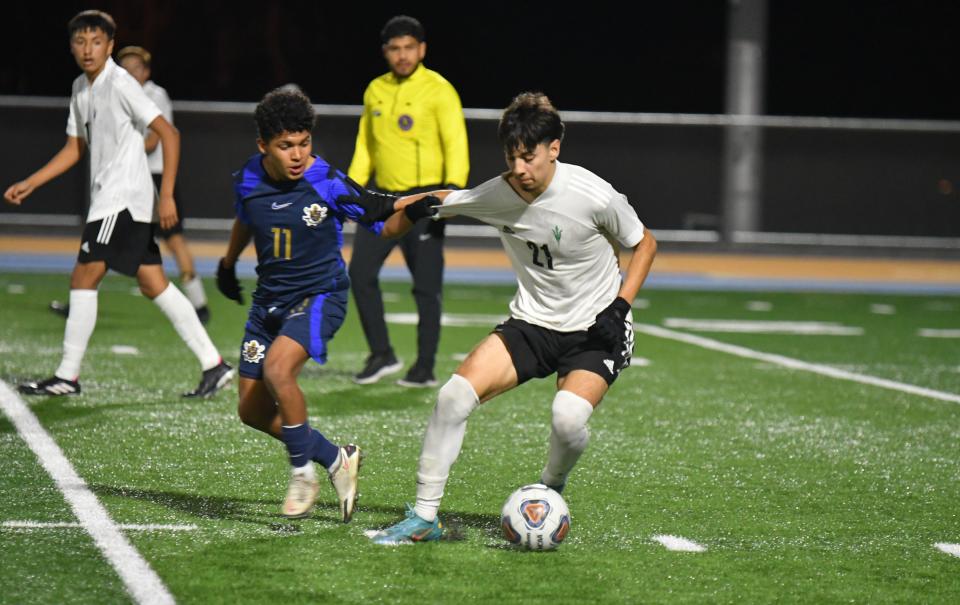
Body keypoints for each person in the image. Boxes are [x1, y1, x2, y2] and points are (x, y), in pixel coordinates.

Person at [366, 92, 658, 544]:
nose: (519, 168)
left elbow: (645, 244)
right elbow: (442, 200)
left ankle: (552, 482)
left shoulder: (592, 194)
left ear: (553, 149)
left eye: (529, 156)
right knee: (453, 397)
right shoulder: (500, 193)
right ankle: (424, 517)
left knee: (567, 418)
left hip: (596, 331)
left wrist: (620, 307)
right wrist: (402, 209)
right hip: (531, 326)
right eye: (511, 157)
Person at [215, 87, 438, 520]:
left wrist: (419, 208)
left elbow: (382, 216)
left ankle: (303, 475)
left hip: (320, 297)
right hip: (268, 305)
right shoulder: (247, 177)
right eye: (285, 146)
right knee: (251, 411)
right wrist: (227, 263)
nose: (298, 154)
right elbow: (246, 216)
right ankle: (336, 459)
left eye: (304, 143)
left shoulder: (326, 181)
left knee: (278, 369)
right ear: (263, 146)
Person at [3, 10, 232, 397]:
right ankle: (215, 364)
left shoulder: (121, 83)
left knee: (84, 276)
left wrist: (169, 195)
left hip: (121, 199)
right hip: (117, 199)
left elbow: (169, 134)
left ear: (109, 46)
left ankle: (67, 375)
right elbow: (75, 148)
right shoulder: (80, 87)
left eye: (96, 42)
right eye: (80, 41)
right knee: (153, 283)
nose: (88, 49)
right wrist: (32, 182)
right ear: (72, 46)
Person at [347, 15, 469, 388]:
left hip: (427, 200)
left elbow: (456, 146)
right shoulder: (375, 91)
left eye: (409, 48)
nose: (402, 55)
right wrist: (349, 191)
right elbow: (366, 147)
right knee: (360, 275)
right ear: (386, 52)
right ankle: (382, 354)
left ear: (422, 49)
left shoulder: (440, 89)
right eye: (395, 48)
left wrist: (449, 196)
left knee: (426, 288)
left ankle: (425, 367)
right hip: (384, 201)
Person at [51, 45, 211, 324]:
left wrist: (120, 150)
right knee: (106, 244)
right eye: (126, 66)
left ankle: (199, 304)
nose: (130, 71)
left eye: (137, 67)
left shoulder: (154, 94)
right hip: (127, 183)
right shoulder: (114, 90)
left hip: (153, 178)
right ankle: (80, 300)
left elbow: (156, 138)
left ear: (146, 71)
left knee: (173, 240)